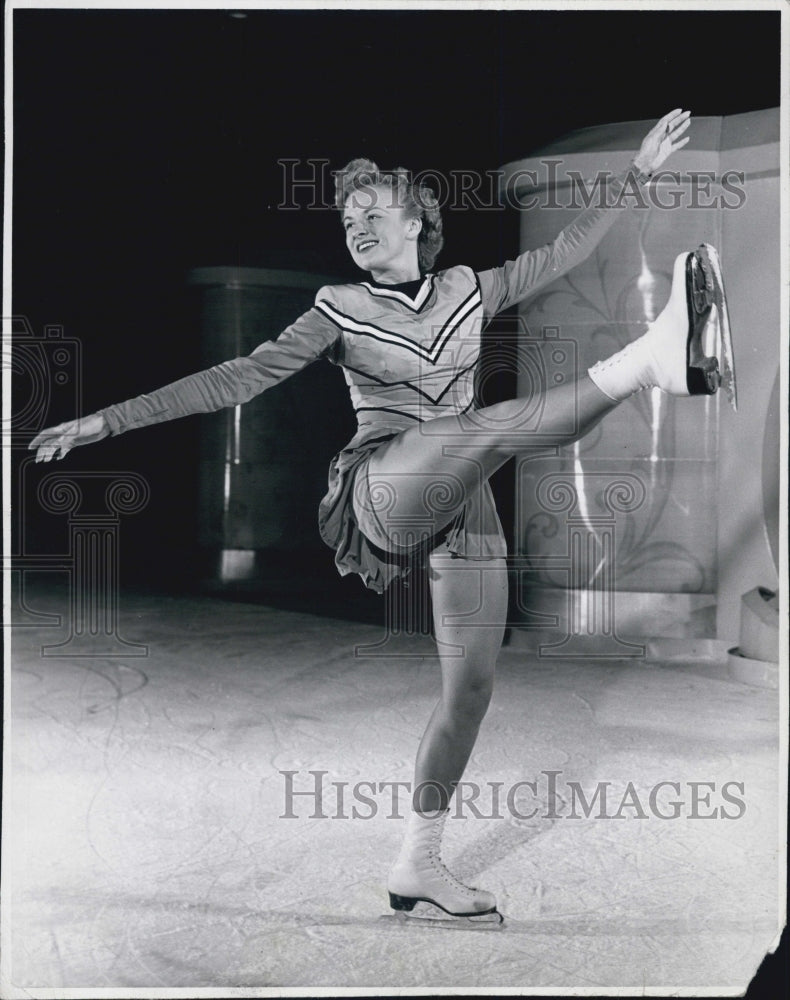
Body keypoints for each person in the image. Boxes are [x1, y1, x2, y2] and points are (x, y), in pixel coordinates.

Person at [31, 109, 730, 922]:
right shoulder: (335, 307)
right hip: (382, 487)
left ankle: (417, 865)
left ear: (418, 221)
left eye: (373, 213)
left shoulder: (471, 288)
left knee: (469, 689)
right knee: (474, 428)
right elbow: (236, 379)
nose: (357, 226)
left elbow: (568, 249)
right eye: (346, 218)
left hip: (462, 498)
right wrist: (107, 420)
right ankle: (649, 361)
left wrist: (639, 174)